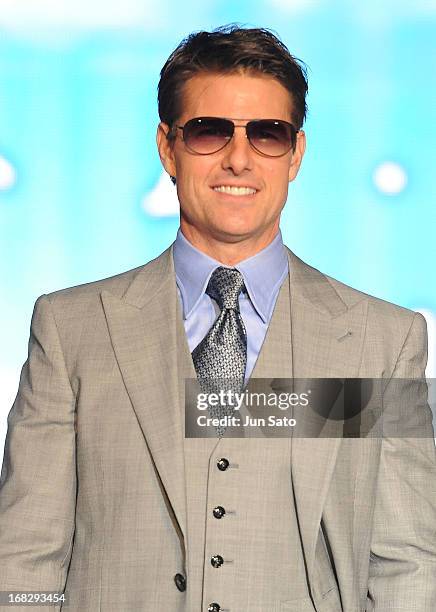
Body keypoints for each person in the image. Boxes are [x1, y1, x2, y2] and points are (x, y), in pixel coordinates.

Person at [0, 25, 435, 612]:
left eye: (267, 134)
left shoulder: (384, 342)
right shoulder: (71, 329)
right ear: (167, 148)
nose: (238, 157)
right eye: (208, 131)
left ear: (296, 154)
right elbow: (27, 557)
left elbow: (406, 565)